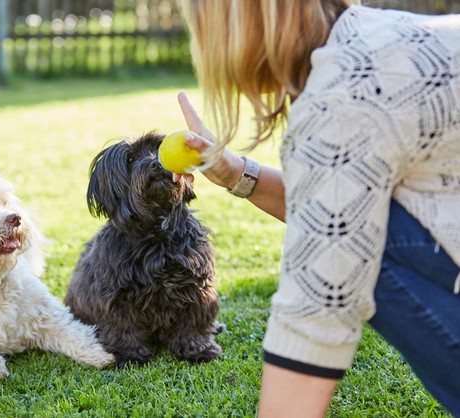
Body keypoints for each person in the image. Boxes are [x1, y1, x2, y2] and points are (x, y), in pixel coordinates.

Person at [175, 0, 460, 416]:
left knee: (363, 244)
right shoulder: (378, 34)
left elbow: (314, 313)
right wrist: (237, 173)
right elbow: (342, 202)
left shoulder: (343, 93)